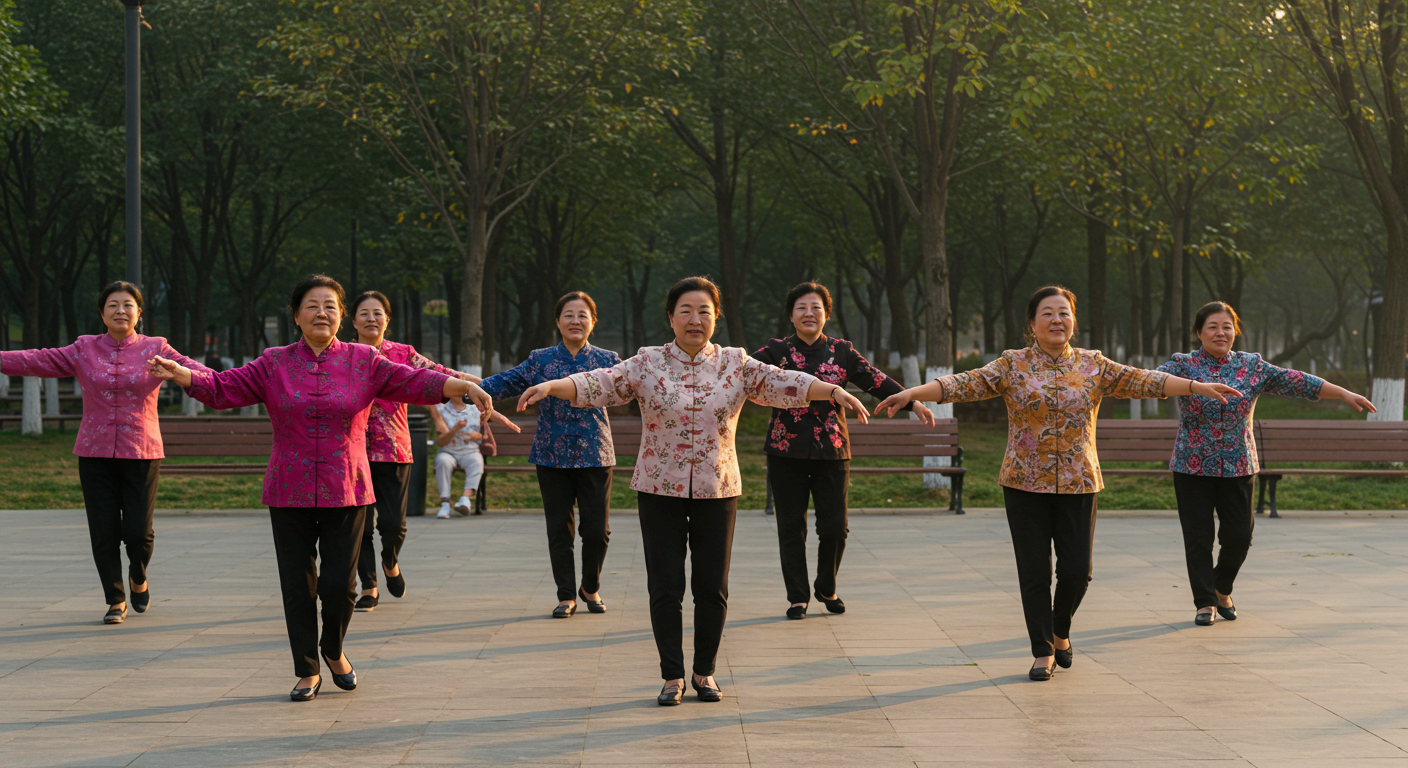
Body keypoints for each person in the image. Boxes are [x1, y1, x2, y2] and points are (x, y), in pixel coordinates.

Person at [519, 276, 874, 706]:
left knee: (712, 587)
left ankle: (704, 671)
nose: (694, 319)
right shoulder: (647, 362)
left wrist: (833, 390)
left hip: (717, 488)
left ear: (716, 318)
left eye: (704, 311)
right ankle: (672, 676)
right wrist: (551, 387)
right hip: (658, 488)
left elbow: (788, 383)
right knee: (666, 587)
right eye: (685, 310)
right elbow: (599, 383)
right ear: (670, 317)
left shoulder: (735, 363)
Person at [148, 274, 495, 702]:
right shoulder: (273, 362)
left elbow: (411, 381)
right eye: (312, 305)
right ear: (296, 316)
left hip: (346, 487)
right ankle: (307, 669)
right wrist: (183, 374)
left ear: (340, 315)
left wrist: (458, 386)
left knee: (340, 586)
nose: (322, 313)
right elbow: (224, 389)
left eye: (330, 306)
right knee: (298, 585)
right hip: (288, 488)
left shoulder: (363, 360)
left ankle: (332, 648)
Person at [876, 285, 1241, 682]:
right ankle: (1042, 651)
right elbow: (963, 384)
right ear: (1032, 324)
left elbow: (1146, 382)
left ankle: (1060, 629)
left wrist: (1195, 386)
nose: (1056, 320)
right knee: (1034, 572)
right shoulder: (1011, 364)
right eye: (1047, 313)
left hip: (1079, 482)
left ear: (1073, 322)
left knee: (1076, 573)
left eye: (1064, 313)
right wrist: (911, 393)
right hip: (1023, 483)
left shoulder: (1093, 365)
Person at [0, 281, 206, 625]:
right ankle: (115, 599)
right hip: (94, 453)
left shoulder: (156, 348)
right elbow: (36, 360)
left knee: (139, 532)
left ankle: (137, 575)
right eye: (113, 305)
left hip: (141, 451)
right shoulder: (83, 349)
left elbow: (199, 374)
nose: (120, 311)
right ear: (102, 313)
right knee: (103, 529)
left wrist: (192, 377)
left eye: (128, 305)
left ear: (139, 312)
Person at [1158, 301, 1374, 626]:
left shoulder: (1251, 366)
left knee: (1239, 537)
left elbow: (1297, 381)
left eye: (1227, 326)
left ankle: (1221, 587)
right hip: (1192, 465)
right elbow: (1146, 382)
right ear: (1199, 332)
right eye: (1213, 326)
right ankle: (1205, 603)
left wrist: (1343, 393)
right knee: (1198, 537)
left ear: (1235, 332)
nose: (1221, 332)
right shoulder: (1182, 364)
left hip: (1239, 465)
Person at [752, 282, 936, 620]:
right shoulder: (774, 352)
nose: (809, 313)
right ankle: (798, 597)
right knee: (791, 528)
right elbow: (743, 377)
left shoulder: (843, 352)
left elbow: (877, 381)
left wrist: (914, 401)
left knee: (835, 527)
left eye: (816, 308)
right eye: (802, 308)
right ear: (791, 316)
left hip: (832, 451)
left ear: (826, 314)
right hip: (785, 452)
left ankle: (826, 585)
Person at [349, 291, 515, 611]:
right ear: (353, 320)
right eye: (364, 313)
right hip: (352, 451)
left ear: (387, 319)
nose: (371, 318)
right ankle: (368, 585)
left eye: (378, 313)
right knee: (358, 524)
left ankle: (390, 563)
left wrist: (490, 388)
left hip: (393, 449)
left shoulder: (402, 353)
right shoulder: (343, 355)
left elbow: (442, 375)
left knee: (394, 525)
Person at [476, 292, 622, 618]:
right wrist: (465, 387)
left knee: (597, 531)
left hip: (595, 455)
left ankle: (590, 586)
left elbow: (632, 388)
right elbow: (505, 382)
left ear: (593, 322)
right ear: (558, 321)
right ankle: (567, 595)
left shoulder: (608, 360)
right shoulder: (540, 359)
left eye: (582, 315)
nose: (575, 321)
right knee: (560, 529)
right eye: (568, 315)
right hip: (551, 456)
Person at [428, 394, 485, 519]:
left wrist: (478, 436)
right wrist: (455, 429)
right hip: (448, 451)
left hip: (470, 450)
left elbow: (484, 435)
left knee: (476, 461)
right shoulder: (441, 409)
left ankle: (465, 500)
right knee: (442, 461)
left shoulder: (476, 408)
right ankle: (445, 504)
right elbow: (440, 442)